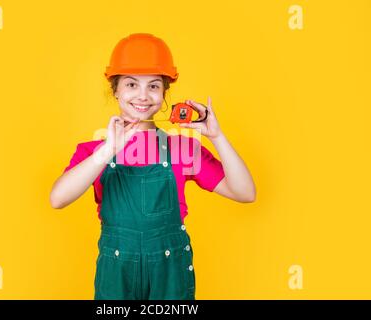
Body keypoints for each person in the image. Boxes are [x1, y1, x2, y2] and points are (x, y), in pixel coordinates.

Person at [50, 33, 256, 300]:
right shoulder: (93, 153)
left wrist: (217, 136)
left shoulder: (183, 148)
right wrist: (108, 150)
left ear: (164, 92)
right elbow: (58, 198)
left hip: (170, 274)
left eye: (154, 86)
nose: (143, 96)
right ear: (116, 90)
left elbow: (245, 192)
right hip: (117, 274)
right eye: (132, 84)